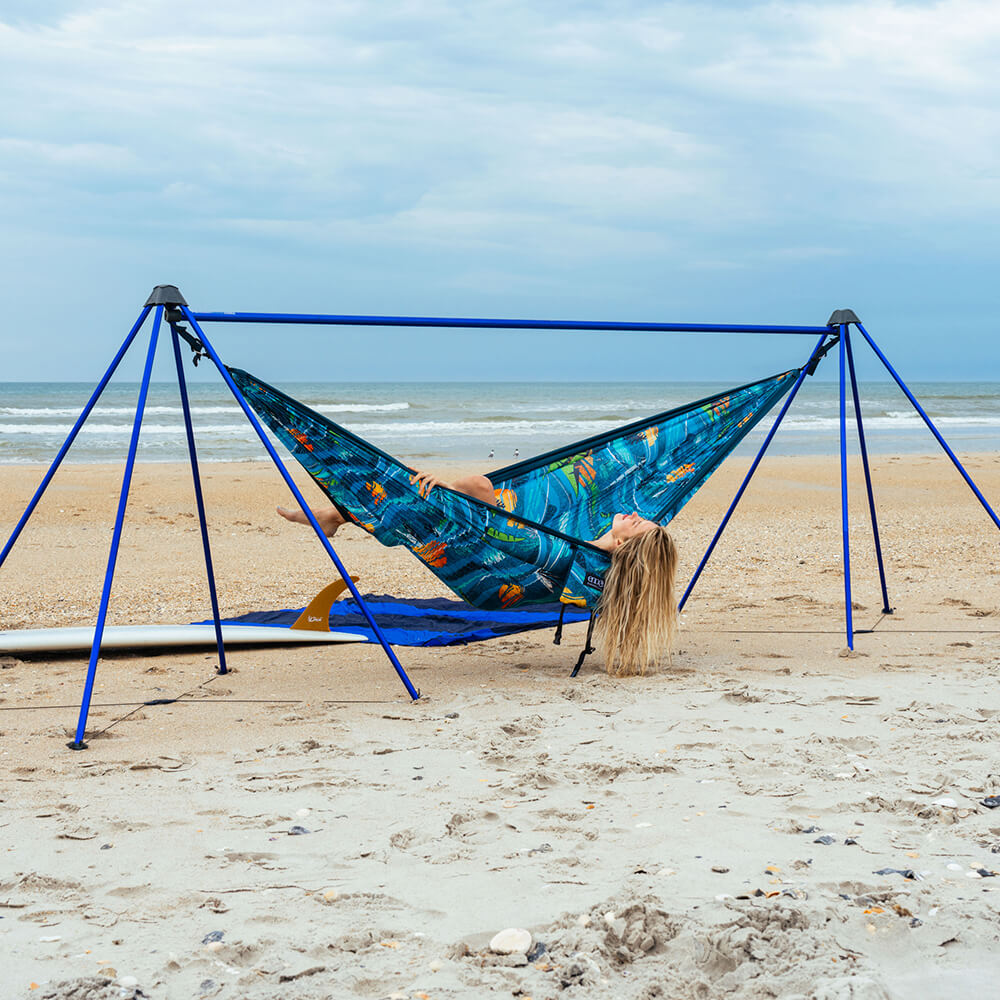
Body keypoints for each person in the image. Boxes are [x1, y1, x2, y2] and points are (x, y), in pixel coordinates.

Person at [277, 469, 678, 676]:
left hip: (500, 573)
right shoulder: (593, 557)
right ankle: (334, 516)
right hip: (515, 551)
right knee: (472, 487)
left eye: (639, 523)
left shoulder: (573, 556)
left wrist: (447, 499)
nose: (636, 514)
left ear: (624, 545)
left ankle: (332, 515)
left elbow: (506, 538)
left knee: (446, 490)